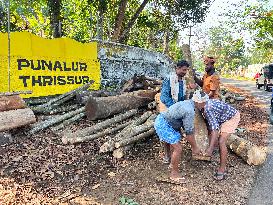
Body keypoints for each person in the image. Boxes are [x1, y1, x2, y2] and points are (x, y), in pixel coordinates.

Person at [192, 90, 240, 181]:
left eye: (195, 102)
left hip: (231, 118)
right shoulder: (204, 106)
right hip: (222, 117)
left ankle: (222, 169)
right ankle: (209, 151)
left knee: (221, 141)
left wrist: (210, 148)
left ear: (201, 102)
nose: (194, 104)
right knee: (210, 131)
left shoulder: (208, 109)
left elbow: (215, 129)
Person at [154, 99, 202, 184]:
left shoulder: (188, 103)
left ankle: (168, 158)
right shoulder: (189, 111)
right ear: (199, 102)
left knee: (171, 141)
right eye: (204, 103)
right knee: (178, 149)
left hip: (161, 119)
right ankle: (174, 174)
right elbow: (189, 134)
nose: (204, 106)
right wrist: (195, 148)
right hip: (164, 125)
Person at [159, 60, 190, 164]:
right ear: (177, 68)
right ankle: (167, 155)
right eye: (183, 70)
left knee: (175, 131)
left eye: (186, 70)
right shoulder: (169, 79)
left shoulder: (183, 81)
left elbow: (183, 97)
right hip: (168, 109)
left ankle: (174, 154)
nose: (185, 72)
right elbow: (163, 97)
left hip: (178, 110)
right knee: (167, 131)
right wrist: (175, 107)